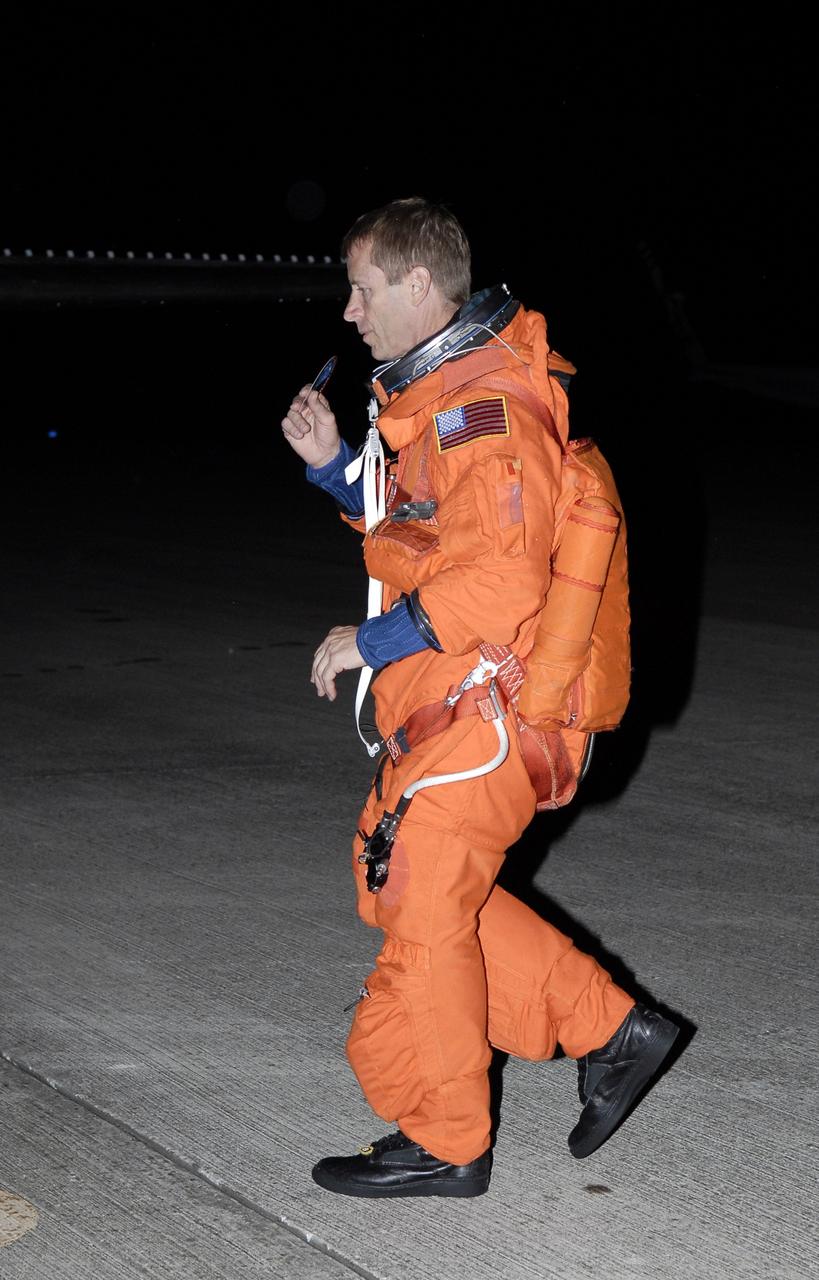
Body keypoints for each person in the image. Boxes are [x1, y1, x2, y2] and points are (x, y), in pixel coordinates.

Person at [281, 197, 678, 1198]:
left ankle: (448, 1137)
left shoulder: (486, 409)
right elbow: (424, 533)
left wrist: (365, 639)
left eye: (363, 288)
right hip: (451, 705)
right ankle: (609, 1029)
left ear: (419, 286)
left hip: (486, 715)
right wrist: (336, 466)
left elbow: (501, 585)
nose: (349, 310)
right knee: (404, 888)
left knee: (418, 894)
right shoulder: (443, 397)